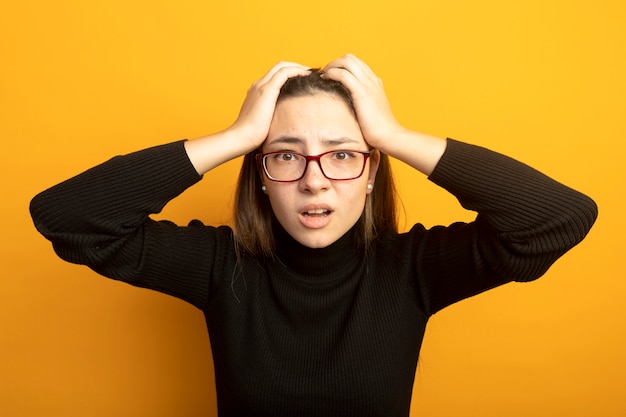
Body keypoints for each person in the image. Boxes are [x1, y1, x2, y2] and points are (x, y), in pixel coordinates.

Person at [30, 54, 598, 417]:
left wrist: (392, 134)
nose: (314, 181)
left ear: (373, 172)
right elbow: (68, 218)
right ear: (260, 176)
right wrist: (237, 136)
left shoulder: (413, 269)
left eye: (344, 154)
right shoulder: (220, 266)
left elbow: (557, 219)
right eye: (284, 156)